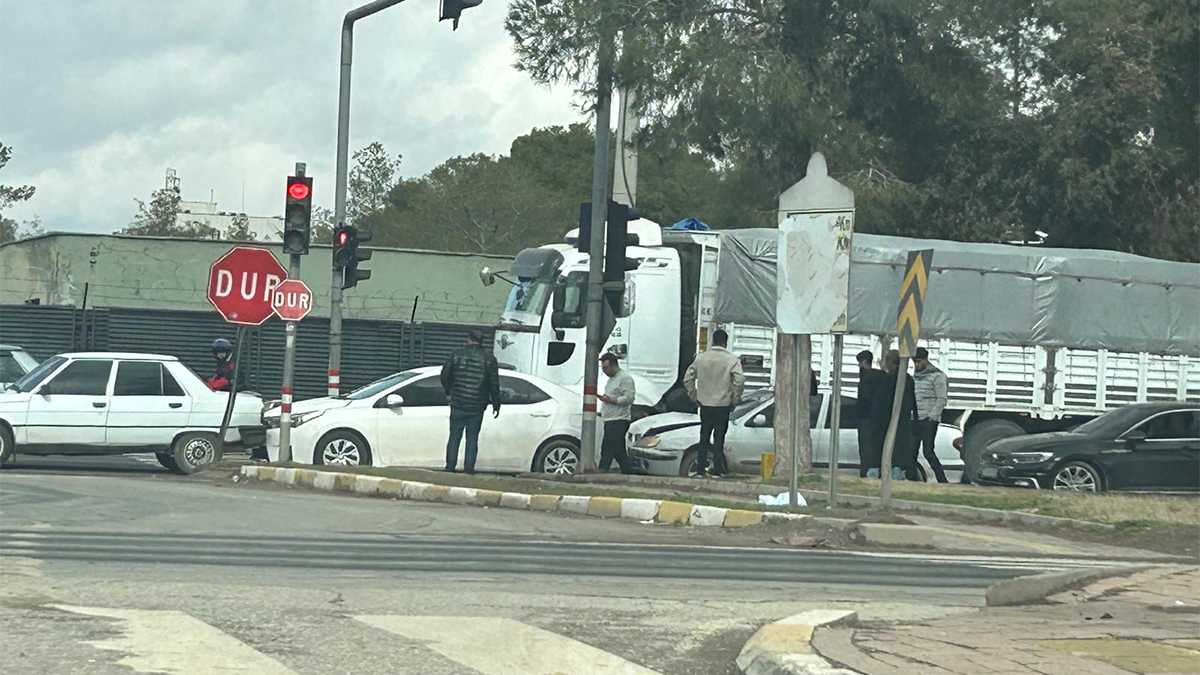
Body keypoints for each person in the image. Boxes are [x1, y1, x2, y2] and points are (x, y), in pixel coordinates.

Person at [684, 329, 745, 478]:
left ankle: (700, 469)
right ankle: (718, 469)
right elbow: (739, 380)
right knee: (719, 438)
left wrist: (694, 396)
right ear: (726, 342)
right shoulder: (732, 360)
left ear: (713, 340)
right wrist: (734, 400)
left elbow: (687, 379)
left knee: (704, 437)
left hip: (705, 404)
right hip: (723, 405)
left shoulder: (701, 358)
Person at [440, 330, 501, 475]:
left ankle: (450, 467)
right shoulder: (489, 359)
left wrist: (449, 392)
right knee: (472, 438)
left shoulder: (456, 354)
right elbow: (494, 384)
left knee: (454, 436)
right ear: (481, 341)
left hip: (458, 402)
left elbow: (444, 375)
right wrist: (496, 403)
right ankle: (469, 469)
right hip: (477, 405)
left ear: (468, 339)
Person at [878, 349, 920, 481]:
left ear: (890, 362)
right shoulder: (908, 378)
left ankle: (891, 473)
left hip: (889, 419)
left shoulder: (888, 379)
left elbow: (883, 401)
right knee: (900, 448)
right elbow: (912, 400)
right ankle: (897, 471)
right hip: (904, 419)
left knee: (890, 447)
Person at [913, 347, 950, 483]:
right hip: (916, 418)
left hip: (929, 419)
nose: (916, 365)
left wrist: (932, 417)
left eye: (918, 361)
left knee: (928, 451)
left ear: (925, 360)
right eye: (914, 362)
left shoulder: (937, 376)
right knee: (912, 451)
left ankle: (942, 480)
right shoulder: (916, 375)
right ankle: (914, 478)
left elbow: (941, 399)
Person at [597, 353, 637, 474]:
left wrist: (613, 400)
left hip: (619, 419)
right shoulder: (611, 380)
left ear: (613, 365)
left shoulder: (625, 379)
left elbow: (629, 398)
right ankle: (628, 471)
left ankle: (602, 469)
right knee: (618, 450)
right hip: (609, 418)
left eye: (605, 368)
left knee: (607, 447)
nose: (604, 371)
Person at [855, 349, 887, 478]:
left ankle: (866, 472)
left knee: (866, 447)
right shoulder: (882, 376)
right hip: (879, 417)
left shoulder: (866, 378)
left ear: (863, 362)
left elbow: (865, 398)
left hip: (866, 418)